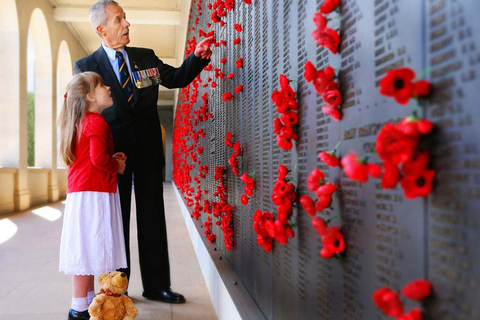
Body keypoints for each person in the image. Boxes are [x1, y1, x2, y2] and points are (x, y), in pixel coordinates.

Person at [74, 0, 213, 304]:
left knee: (152, 217)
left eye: (125, 18)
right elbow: (82, 114)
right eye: (119, 19)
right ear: (102, 29)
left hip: (149, 150)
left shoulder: (144, 57)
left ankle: (157, 286)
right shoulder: (86, 67)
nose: (127, 24)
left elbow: (176, 77)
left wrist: (197, 58)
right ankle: (118, 287)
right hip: (114, 158)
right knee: (117, 221)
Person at [58, 71, 128, 320]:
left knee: (84, 249)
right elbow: (98, 159)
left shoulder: (81, 121)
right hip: (94, 193)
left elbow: (91, 155)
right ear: (89, 96)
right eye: (101, 85)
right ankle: (79, 309)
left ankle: (85, 304)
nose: (108, 87)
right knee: (87, 249)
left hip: (83, 192)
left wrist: (112, 158)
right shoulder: (96, 122)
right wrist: (117, 166)